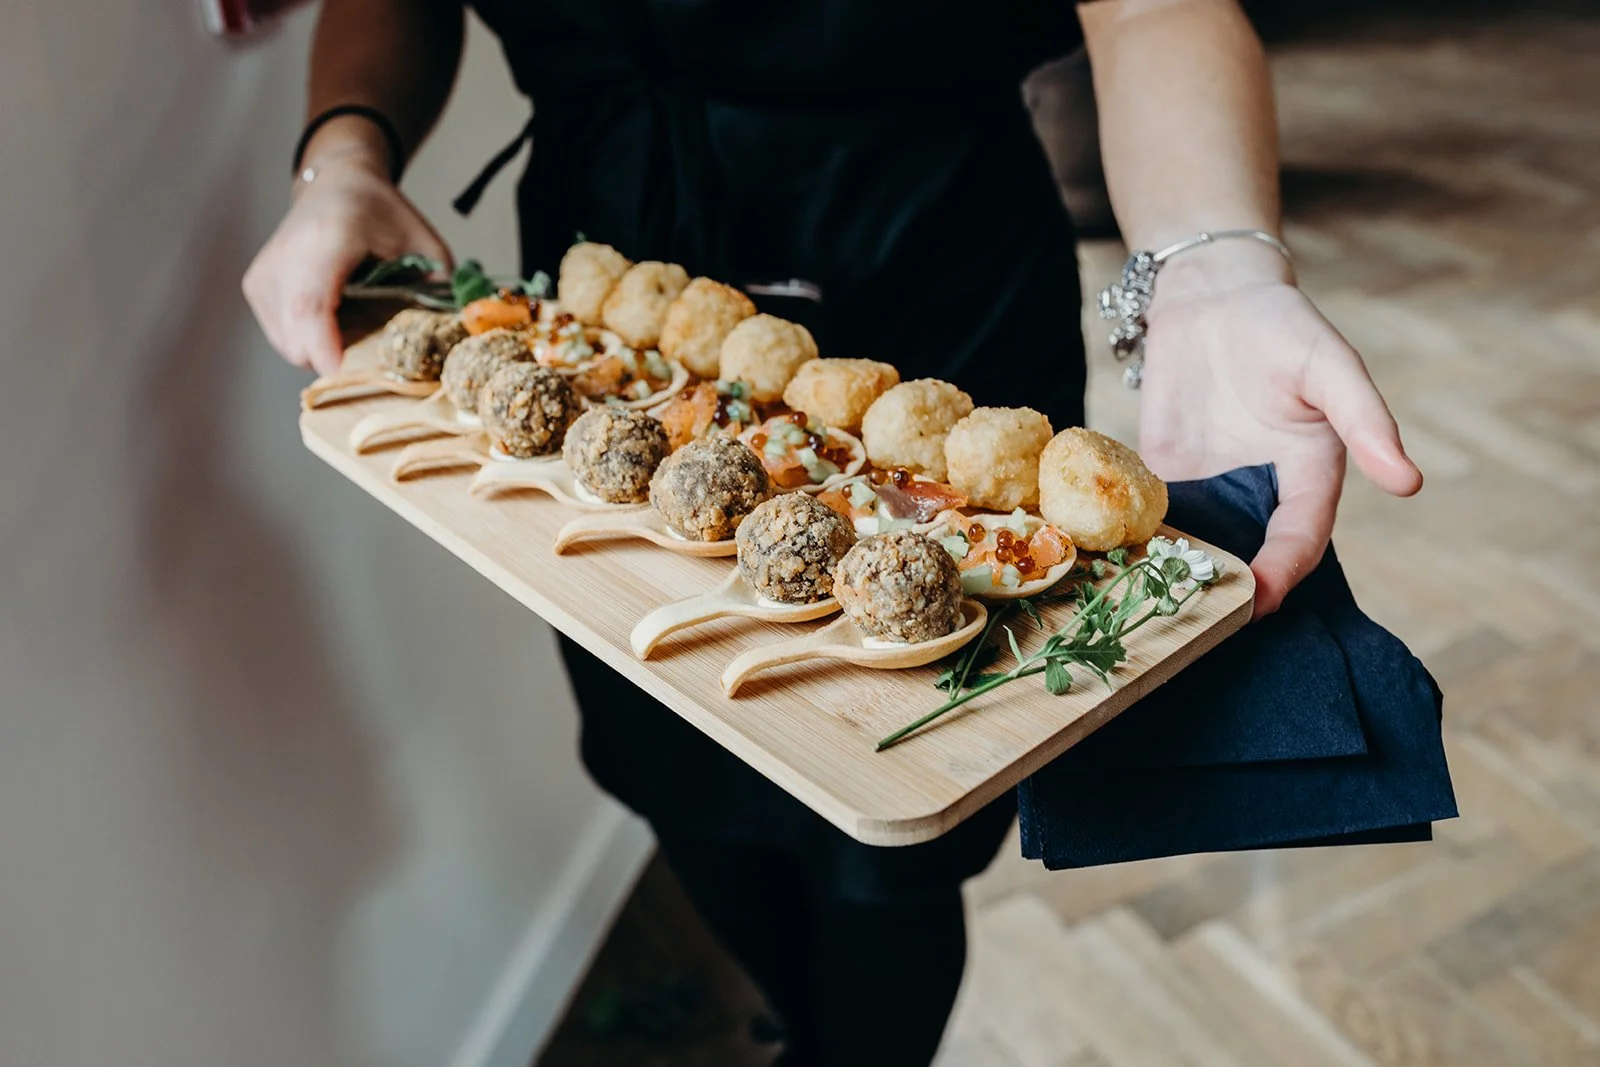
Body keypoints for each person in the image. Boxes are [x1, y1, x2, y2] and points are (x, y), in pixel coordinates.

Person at [244, 1, 1424, 1063]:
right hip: (610, 276)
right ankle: (798, 1021)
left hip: (927, 276)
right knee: (672, 759)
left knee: (892, 852)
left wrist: (1215, 261)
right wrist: (344, 150)